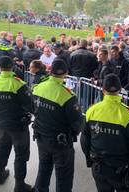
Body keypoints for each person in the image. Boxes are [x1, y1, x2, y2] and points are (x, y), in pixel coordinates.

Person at [81, 73, 129, 192]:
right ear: (120, 90)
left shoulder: (92, 110)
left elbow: (84, 139)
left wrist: (89, 160)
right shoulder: (128, 115)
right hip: (122, 171)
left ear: (103, 90)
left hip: (99, 168)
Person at [32, 58, 84, 192]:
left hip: (41, 137)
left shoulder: (38, 87)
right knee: (63, 178)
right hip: (60, 143)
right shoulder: (68, 95)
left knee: (43, 168)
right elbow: (77, 123)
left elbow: (34, 109)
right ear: (65, 73)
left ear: (50, 71)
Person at [0, 56, 33, 192]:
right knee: (20, 154)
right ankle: (19, 185)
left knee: (2, 149)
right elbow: (30, 105)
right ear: (12, 67)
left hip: (2, 124)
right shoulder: (18, 84)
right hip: (18, 126)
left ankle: (0, 174)